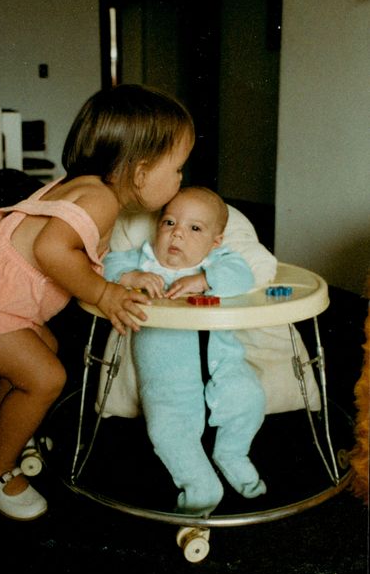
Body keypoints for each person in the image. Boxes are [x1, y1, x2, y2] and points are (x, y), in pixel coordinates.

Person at [0, 83, 195, 520]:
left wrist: (121, 275)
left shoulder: (82, 188)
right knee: (46, 376)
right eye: (177, 168)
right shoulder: (100, 200)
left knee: (40, 348)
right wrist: (105, 293)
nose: (181, 178)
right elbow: (52, 251)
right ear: (141, 173)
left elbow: (75, 252)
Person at [103, 186, 267, 516]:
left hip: (224, 365)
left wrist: (205, 280)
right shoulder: (143, 259)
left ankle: (232, 453)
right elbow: (105, 266)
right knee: (166, 429)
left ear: (215, 241)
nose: (177, 234)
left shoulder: (221, 262)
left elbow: (244, 276)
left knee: (250, 400)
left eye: (194, 229)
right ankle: (200, 484)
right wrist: (130, 276)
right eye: (169, 223)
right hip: (167, 377)